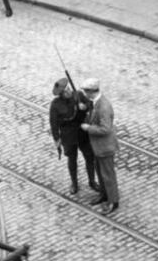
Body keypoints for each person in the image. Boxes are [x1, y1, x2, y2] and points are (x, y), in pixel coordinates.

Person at [49, 78, 99, 195]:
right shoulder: (55, 105)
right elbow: (54, 123)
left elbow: (90, 104)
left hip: (82, 131)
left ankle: (92, 181)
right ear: (61, 94)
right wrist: (57, 139)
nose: (69, 91)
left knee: (89, 157)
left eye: (69, 88)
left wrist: (84, 107)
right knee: (72, 160)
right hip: (68, 136)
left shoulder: (78, 95)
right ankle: (74, 183)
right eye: (66, 91)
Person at [79, 78, 120, 214]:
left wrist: (88, 128)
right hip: (97, 147)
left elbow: (105, 129)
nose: (84, 94)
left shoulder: (103, 107)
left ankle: (113, 201)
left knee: (108, 175)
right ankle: (104, 195)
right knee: (101, 173)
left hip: (105, 147)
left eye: (85, 91)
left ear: (91, 91)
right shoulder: (95, 102)